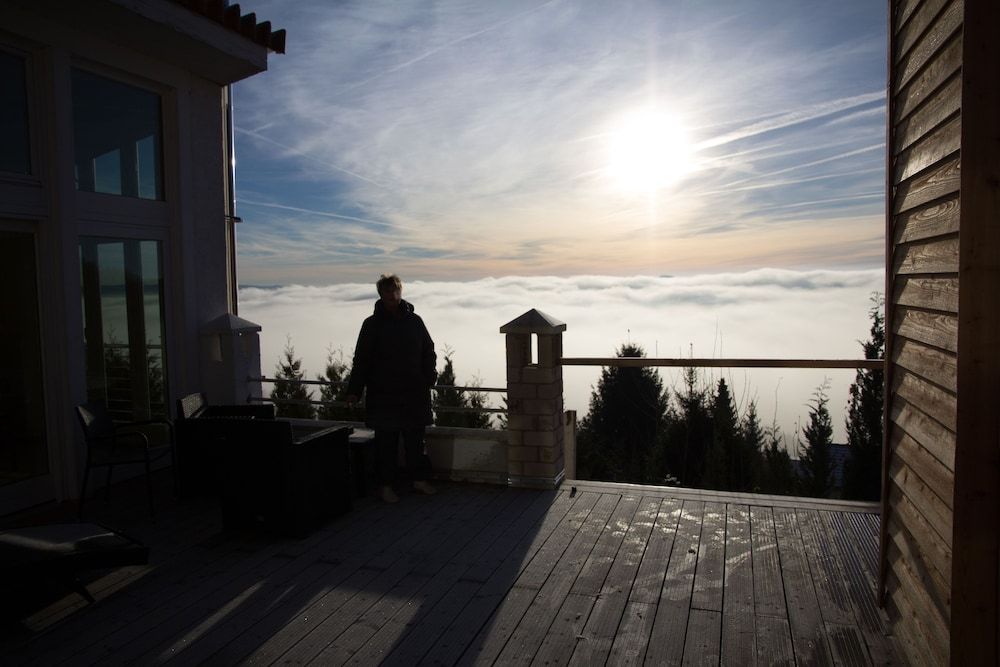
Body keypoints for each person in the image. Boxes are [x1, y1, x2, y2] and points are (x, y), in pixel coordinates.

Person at [346, 274, 438, 503]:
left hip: (414, 393)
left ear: (400, 292)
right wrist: (354, 390)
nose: (393, 295)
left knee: (415, 441)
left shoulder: (415, 321)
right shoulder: (371, 325)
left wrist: (428, 377)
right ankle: (385, 486)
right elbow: (362, 360)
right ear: (381, 294)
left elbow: (429, 350)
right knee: (386, 444)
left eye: (396, 290)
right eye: (388, 291)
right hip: (383, 393)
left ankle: (418, 480)